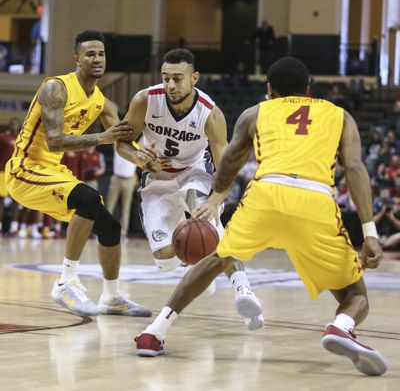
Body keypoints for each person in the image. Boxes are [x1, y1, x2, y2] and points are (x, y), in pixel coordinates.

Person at [134, 57, 388, 377]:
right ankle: (341, 326)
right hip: (315, 200)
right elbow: (355, 169)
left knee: (216, 258)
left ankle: (155, 332)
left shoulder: (255, 112)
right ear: (308, 89)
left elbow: (229, 160)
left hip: (267, 194)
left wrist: (216, 196)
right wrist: (370, 233)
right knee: (354, 295)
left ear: (269, 88)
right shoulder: (341, 116)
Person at [5, 30, 157, 317]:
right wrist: (102, 138)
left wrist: (142, 159)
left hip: (54, 172)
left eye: (101, 54)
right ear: (77, 58)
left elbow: (121, 141)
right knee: (88, 198)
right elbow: (55, 140)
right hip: (26, 169)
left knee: (110, 227)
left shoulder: (102, 101)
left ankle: (112, 297)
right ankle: (66, 282)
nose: (97, 59)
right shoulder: (56, 88)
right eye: (90, 54)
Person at [124, 48, 263, 330]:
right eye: (166, 78)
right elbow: (122, 143)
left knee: (207, 219)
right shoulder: (144, 100)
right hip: (157, 178)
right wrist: (138, 157)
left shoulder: (210, 113)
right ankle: (196, 269)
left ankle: (243, 289)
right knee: (164, 257)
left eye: (177, 78)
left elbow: (226, 164)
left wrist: (217, 198)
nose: (170, 85)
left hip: (194, 171)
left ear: (194, 78)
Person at [106, 147, 137, 240]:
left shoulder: (136, 148)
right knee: (109, 207)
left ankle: (123, 233)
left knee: (126, 209)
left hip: (129, 180)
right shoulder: (118, 144)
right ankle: (104, 230)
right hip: (116, 179)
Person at [0, 117, 21, 235]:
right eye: (13, 122)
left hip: (16, 172)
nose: (15, 124)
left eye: (17, 122)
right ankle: (1, 227)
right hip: (2, 171)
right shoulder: (3, 137)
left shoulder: (22, 138)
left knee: (16, 200)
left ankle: (14, 228)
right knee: (1, 200)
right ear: (9, 124)